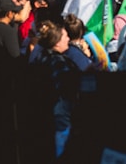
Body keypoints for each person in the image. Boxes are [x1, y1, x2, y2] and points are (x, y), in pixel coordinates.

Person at [29, 20, 79, 159]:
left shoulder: (43, 56)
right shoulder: (57, 61)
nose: (68, 39)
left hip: (48, 113)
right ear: (57, 42)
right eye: (65, 36)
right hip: (61, 113)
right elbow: (68, 85)